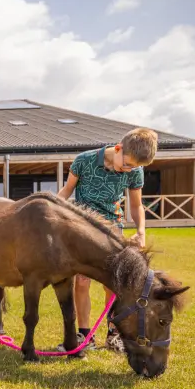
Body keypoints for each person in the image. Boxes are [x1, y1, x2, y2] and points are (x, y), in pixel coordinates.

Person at [56, 127, 158, 352]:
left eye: (135, 167)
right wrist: (48, 209)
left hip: (114, 231)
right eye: (128, 164)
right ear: (119, 148)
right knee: (81, 282)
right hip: (84, 231)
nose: (129, 170)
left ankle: (114, 334)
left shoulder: (134, 171)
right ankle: (84, 336)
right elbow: (66, 192)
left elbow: (135, 205)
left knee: (112, 285)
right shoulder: (84, 161)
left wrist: (141, 231)